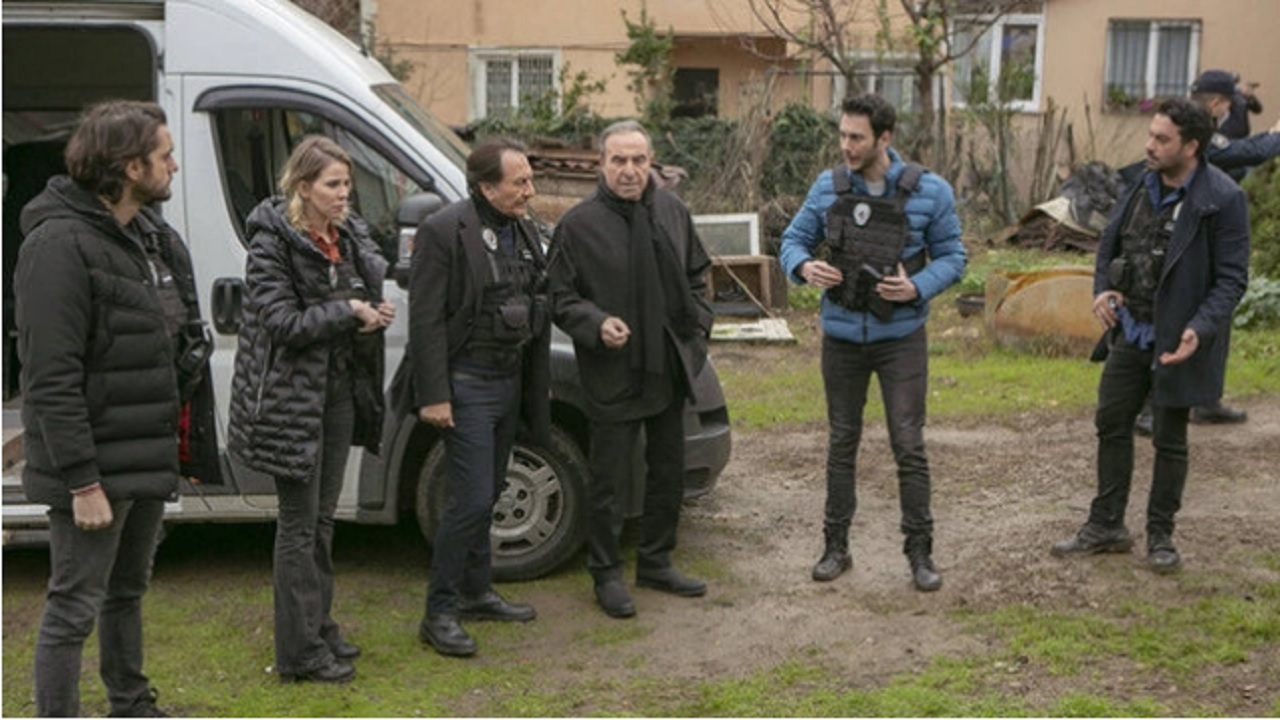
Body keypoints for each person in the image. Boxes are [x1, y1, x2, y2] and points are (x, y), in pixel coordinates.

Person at [15, 99, 220, 717]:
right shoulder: (57, 245)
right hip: (95, 468)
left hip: (144, 454)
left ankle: (130, 703)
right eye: (165, 155)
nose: (174, 166)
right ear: (130, 167)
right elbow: (50, 377)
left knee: (127, 590)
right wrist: (82, 482)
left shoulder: (148, 238)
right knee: (73, 606)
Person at [777, 93, 966, 592]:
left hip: (900, 339)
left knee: (908, 443)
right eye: (842, 135)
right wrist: (803, 266)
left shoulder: (931, 192)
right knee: (842, 442)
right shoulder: (828, 187)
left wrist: (916, 287)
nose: (846, 145)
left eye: (856, 137)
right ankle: (835, 547)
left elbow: (953, 256)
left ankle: (920, 553)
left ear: (885, 138)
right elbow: (791, 240)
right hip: (841, 338)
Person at [1052, 99, 1249, 574]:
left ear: (1191, 146)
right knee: (1112, 421)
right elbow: (1110, 243)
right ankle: (1106, 526)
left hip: (1178, 339)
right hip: (1131, 331)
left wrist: (1199, 328)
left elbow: (1231, 280)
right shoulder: (1141, 182)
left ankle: (1161, 536)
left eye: (1162, 139)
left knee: (1169, 438)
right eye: (1151, 135)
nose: (1150, 145)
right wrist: (1103, 289)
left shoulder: (1221, 199)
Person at [227, 135, 394, 683]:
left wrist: (372, 313)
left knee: (323, 520)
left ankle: (318, 627)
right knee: (298, 527)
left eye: (347, 184)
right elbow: (283, 324)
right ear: (303, 187)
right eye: (333, 185)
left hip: (337, 393)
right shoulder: (272, 242)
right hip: (290, 403)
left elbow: (360, 291)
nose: (345, 194)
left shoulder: (346, 235)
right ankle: (297, 653)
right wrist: (349, 311)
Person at [549, 120, 715, 619]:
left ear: (651, 162)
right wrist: (596, 323)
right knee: (610, 481)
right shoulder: (578, 226)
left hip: (668, 366)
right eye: (618, 160)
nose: (629, 170)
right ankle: (605, 573)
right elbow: (559, 297)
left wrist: (696, 332)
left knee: (667, 471)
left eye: (638, 160)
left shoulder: (672, 211)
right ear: (601, 164)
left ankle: (657, 562)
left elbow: (698, 274)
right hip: (612, 371)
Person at [409, 137, 548, 656]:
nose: (530, 191)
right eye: (520, 182)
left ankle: (475, 592)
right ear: (487, 187)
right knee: (468, 499)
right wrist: (435, 395)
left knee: (488, 494)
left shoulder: (523, 229)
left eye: (530, 180)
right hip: (465, 383)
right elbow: (424, 317)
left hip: (509, 379)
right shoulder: (444, 230)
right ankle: (439, 613)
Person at [1127, 71, 1279, 436]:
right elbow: (1246, 152)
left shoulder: (1205, 127)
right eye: (1227, 104)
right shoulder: (1192, 135)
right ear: (1215, 103)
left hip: (1212, 230)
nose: (1230, 111)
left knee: (1215, 314)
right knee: (1170, 314)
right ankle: (1150, 405)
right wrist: (1276, 137)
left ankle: (1207, 400)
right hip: (1181, 233)